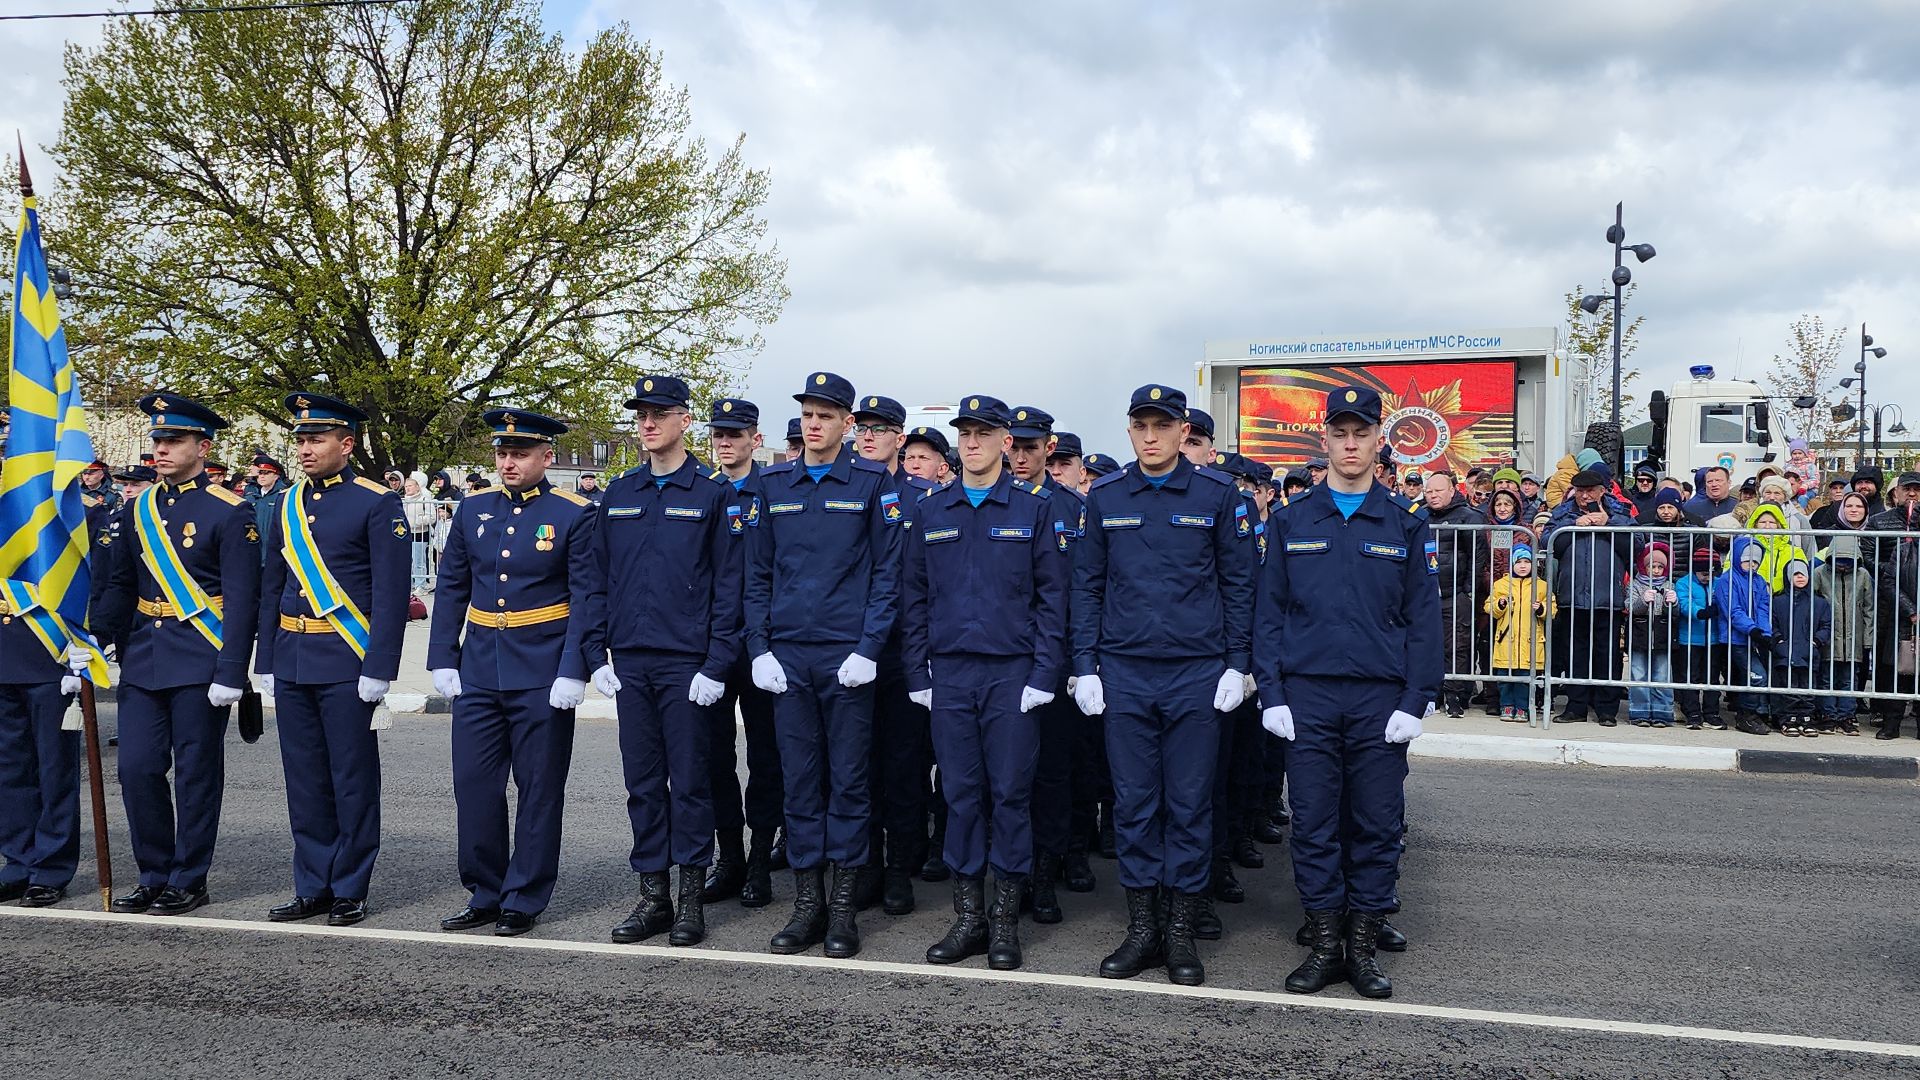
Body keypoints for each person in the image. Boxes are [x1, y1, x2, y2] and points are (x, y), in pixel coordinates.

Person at [1255, 383, 1439, 1000]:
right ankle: (1325, 940)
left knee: (1377, 823)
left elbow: (1423, 618)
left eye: (1362, 432)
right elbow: (1270, 612)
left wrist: (1416, 700)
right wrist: (1272, 692)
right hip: (1306, 696)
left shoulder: (1405, 524)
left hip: (1378, 699)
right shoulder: (1291, 520)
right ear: (1325, 438)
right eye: (1341, 432)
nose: (1352, 443)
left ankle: (1362, 946)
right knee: (1311, 823)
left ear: (1378, 439)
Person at [1072, 383, 1253, 988]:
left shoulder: (1216, 495)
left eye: (1162, 425)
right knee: (1135, 803)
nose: (1150, 436)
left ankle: (1180, 931)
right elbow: (1088, 586)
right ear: (1129, 432)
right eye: (1140, 426)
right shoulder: (1107, 496)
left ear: (1183, 432)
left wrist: (1239, 663)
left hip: (1196, 674)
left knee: (1190, 804)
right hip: (1124, 672)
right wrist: (1085, 665)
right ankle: (1142, 928)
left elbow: (1238, 584)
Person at [902, 395, 1066, 970]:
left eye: (983, 433)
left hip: (1012, 674)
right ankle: (968, 917)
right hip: (950, 673)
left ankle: (1004, 922)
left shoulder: (1032, 510)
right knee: (961, 795)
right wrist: (916, 670)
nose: (972, 443)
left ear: (1005, 443)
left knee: (1011, 795)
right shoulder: (931, 510)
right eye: (964, 433)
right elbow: (914, 596)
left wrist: (1045, 673)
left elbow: (1052, 599)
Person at [744, 372, 900, 959]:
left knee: (850, 784)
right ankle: (806, 905)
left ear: (847, 425)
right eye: (808, 413)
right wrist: (758, 649)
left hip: (845, 658)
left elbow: (888, 575)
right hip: (788, 657)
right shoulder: (772, 482)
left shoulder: (867, 485)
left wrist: (869, 648)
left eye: (826, 415)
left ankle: (841, 910)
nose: (813, 423)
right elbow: (755, 574)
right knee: (800, 782)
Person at [87, 394, 261, 916]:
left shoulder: (232, 511)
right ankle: (153, 872)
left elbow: (244, 596)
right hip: (144, 656)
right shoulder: (136, 507)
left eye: (173, 441)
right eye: (158, 440)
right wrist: (95, 641)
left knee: (195, 773)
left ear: (202, 447)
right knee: (136, 768)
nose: (160, 449)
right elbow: (118, 582)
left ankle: (189, 877)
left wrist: (233, 668)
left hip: (200, 656)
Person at [427, 409, 598, 938]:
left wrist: (575, 668)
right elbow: (453, 587)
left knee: (539, 789)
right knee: (474, 787)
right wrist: (441, 656)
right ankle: (485, 889)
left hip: (542, 670)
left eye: (519, 454)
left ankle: (523, 895)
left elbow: (587, 597)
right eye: (502, 453)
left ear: (547, 457)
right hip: (479, 666)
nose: (507, 463)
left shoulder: (574, 514)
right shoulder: (472, 509)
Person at [589, 376, 742, 947]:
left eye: (659, 414)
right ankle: (652, 895)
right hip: (631, 658)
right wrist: (593, 654)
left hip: (688, 663)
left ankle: (691, 900)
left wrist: (718, 662)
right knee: (643, 782)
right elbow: (597, 578)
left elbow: (731, 586)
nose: (647, 424)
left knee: (692, 783)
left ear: (684, 420)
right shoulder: (620, 491)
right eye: (641, 415)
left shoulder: (711, 492)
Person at [255, 392, 410, 927]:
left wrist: (379, 668)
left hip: (346, 658)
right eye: (299, 439)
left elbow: (391, 594)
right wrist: (267, 659)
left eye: (315, 438)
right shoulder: (286, 503)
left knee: (350, 778)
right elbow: (272, 585)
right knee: (304, 780)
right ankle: (312, 885)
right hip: (294, 656)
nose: (304, 448)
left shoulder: (375, 502)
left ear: (346, 444)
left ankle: (350, 886)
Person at [699, 397, 787, 909]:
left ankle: (759, 860)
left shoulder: (770, 492)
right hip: (712, 645)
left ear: (756, 439)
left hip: (759, 643)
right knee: (713, 759)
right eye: (719, 434)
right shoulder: (707, 494)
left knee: (766, 757)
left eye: (736, 434)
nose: (726, 442)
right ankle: (727, 856)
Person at [1007, 405, 1089, 922]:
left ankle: (1046, 870)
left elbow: (1081, 587)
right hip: (1010, 655)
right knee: (1011, 775)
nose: (1019, 456)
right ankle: (1012, 873)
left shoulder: (1070, 506)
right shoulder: (1000, 500)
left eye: (1030, 447)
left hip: (1055, 656)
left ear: (1048, 449)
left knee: (1056, 771)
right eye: (1013, 446)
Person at [852, 393, 932, 915]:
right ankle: (865, 867)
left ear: (900, 439)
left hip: (904, 651)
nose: (868, 436)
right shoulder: (848, 489)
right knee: (857, 767)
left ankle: (900, 868)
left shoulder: (924, 497)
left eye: (880, 429)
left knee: (904, 767)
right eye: (862, 427)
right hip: (854, 649)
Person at [0, 567, 84, 908]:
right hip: (5, 653)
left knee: (55, 768)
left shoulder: (45, 513)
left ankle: (51, 868)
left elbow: (79, 572)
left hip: (48, 653)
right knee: (8, 769)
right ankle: (18, 861)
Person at [1544, 470, 1634, 725]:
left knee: (1608, 654)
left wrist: (1609, 524)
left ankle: (1607, 710)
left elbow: (1636, 545)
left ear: (1602, 490)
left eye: (1590, 491)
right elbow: (1545, 542)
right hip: (1572, 595)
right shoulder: (1564, 513)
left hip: (1608, 597)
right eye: (1580, 491)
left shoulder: (1620, 512)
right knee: (1575, 652)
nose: (1585, 496)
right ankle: (1576, 707)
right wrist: (1570, 527)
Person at [1422, 471, 1483, 717]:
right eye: (1429, 491)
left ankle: (1455, 694)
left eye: (1438, 491)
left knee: (1457, 646)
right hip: (1426, 595)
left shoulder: (1469, 517)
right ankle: (1432, 693)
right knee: (1428, 646)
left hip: (1456, 593)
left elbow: (1478, 559)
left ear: (1451, 491)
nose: (1433, 495)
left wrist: (1468, 592)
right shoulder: (1419, 515)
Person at [1712, 537, 1775, 736]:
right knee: (1756, 676)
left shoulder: (1759, 581)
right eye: (1747, 560)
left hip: (1754, 637)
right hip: (1735, 638)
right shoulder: (1726, 580)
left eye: (1755, 562)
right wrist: (1753, 630)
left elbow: (1764, 608)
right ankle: (1746, 716)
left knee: (1755, 676)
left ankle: (1758, 712)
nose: (1751, 565)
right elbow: (1733, 611)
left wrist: (1765, 632)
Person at [1484, 544, 1552, 723]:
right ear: (1512, 564)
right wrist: (1499, 605)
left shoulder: (1542, 586)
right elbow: (1489, 606)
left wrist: (1541, 609)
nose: (1523, 566)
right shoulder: (1501, 584)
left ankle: (1522, 707)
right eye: (1519, 562)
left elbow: (1552, 609)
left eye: (1527, 562)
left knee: (1525, 678)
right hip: (1506, 640)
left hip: (1530, 641)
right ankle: (1506, 705)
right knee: (1505, 678)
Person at [1813, 535, 1872, 737]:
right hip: (1828, 638)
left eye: (1848, 562)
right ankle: (1828, 715)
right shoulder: (1820, 574)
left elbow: (1869, 609)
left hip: (1853, 639)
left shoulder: (1863, 575)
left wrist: (1867, 639)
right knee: (1826, 678)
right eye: (1839, 562)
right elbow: (1812, 605)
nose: (1843, 566)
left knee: (1849, 680)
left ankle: (1847, 716)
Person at [1768, 557, 1830, 738]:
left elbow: (1826, 625)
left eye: (1803, 574)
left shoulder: (1819, 602)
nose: (1800, 577)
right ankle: (1788, 719)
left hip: (1809, 652)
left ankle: (1806, 717)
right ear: (1788, 577)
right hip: (1785, 653)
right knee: (1788, 685)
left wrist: (1817, 642)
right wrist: (1778, 641)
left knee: (1807, 686)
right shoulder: (1778, 601)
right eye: (1795, 574)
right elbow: (1772, 624)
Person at [1625, 542, 1678, 728]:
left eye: (1660, 567)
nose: (1655, 570)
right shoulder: (1635, 584)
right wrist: (1642, 600)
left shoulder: (1669, 584)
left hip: (1662, 635)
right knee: (1638, 674)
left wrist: (1672, 602)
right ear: (1644, 566)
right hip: (1640, 633)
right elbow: (1630, 607)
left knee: (1662, 674)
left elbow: (1674, 613)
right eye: (1651, 566)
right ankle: (1639, 712)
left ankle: (1662, 712)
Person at [1673, 548, 1723, 731]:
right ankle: (1692, 712)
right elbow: (1684, 603)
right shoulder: (1683, 583)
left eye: (1711, 573)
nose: (1707, 577)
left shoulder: (1719, 584)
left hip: (1713, 639)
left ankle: (1712, 713)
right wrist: (1699, 612)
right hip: (1690, 638)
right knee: (1690, 677)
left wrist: (1718, 608)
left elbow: (1724, 601)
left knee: (1711, 678)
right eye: (1703, 573)